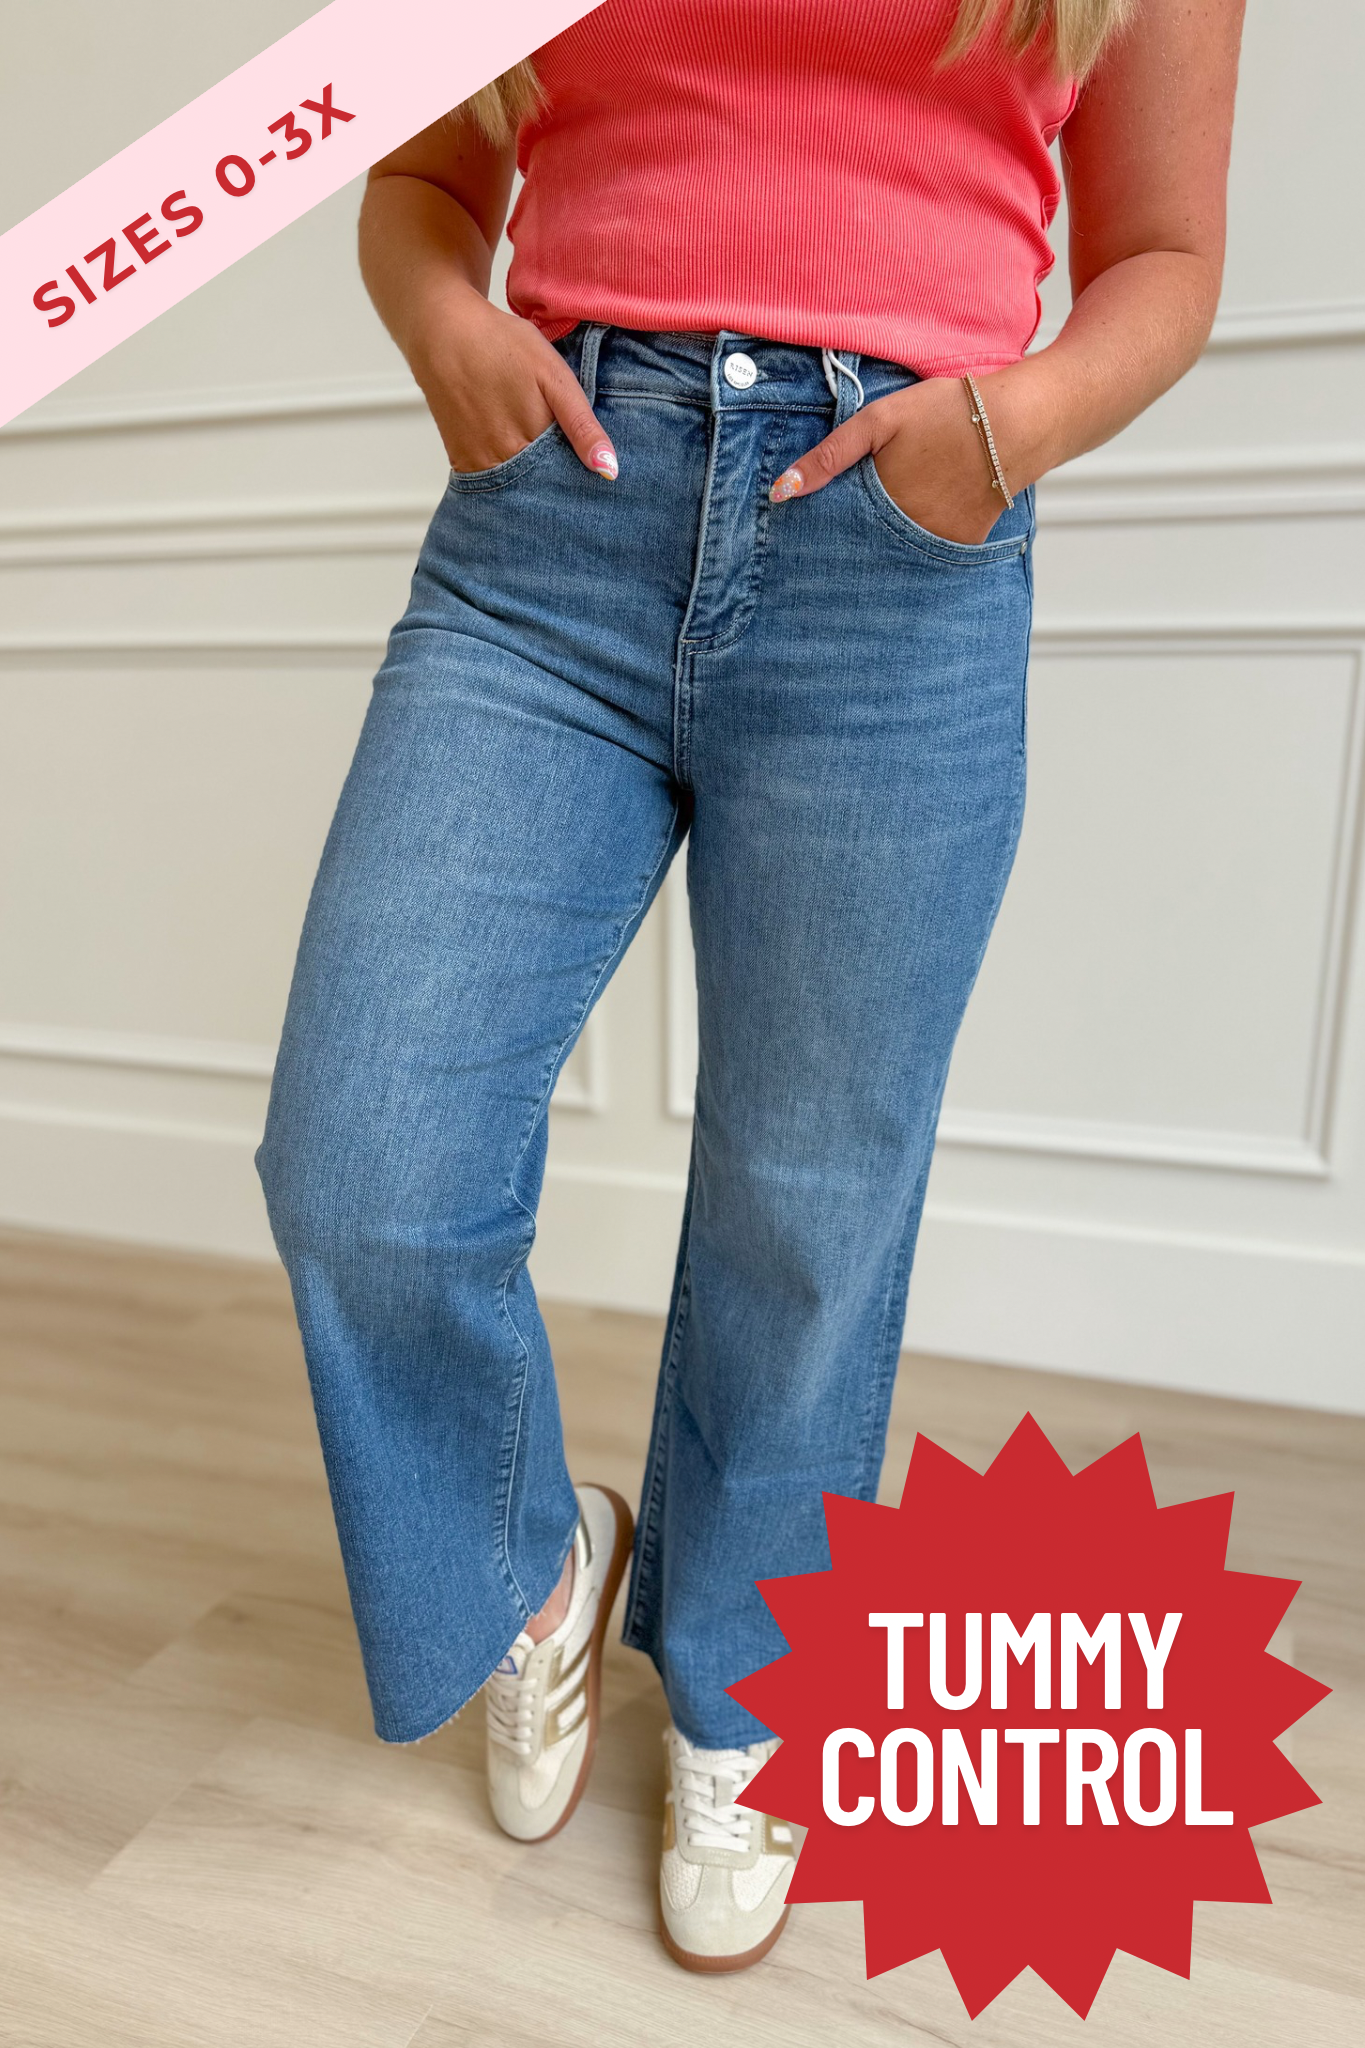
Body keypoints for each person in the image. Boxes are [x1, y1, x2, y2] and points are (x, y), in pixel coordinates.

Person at [256, 0, 1245, 1973]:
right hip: (556, 525)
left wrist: (1001, 433)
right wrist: (444, 322)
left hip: (897, 550)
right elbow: (424, 181)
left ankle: (749, 1687)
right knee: (362, 1159)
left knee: (809, 1197)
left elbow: (1163, 253)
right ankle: (539, 1569)